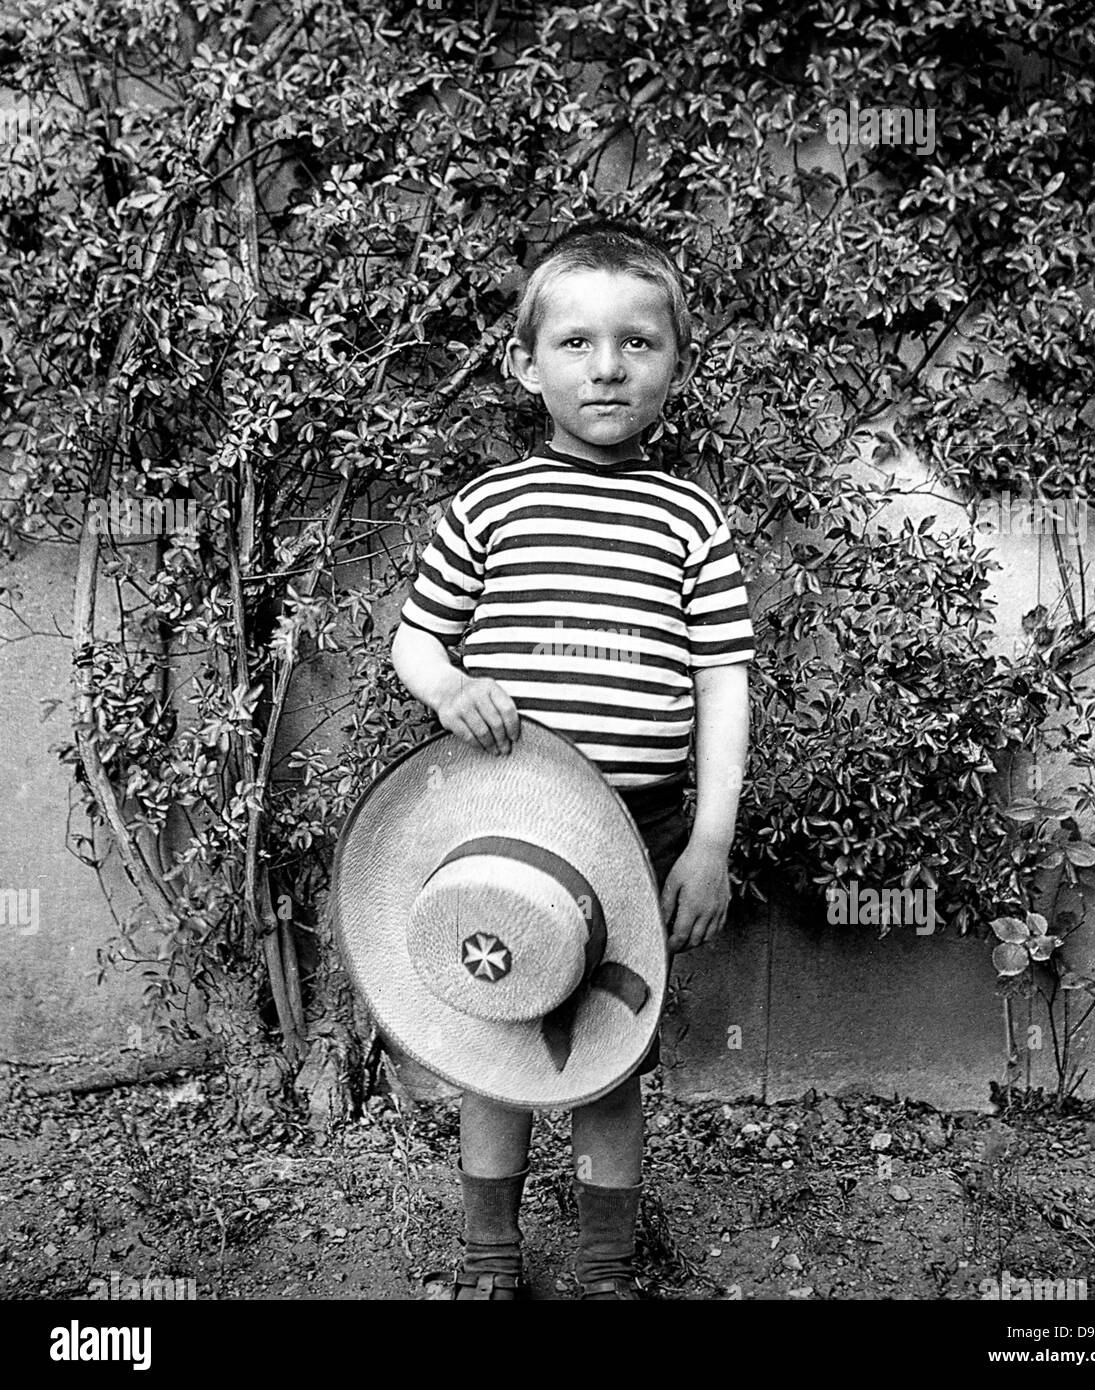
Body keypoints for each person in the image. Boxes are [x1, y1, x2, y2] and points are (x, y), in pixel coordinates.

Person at [391, 218, 755, 1299]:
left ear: (676, 367)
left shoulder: (689, 518)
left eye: (639, 343)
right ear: (526, 364)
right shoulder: (490, 506)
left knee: (610, 1051)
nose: (607, 366)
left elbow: (723, 679)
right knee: (495, 1034)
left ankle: (605, 1267)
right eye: (577, 343)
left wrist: (712, 837)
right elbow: (416, 637)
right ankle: (488, 1258)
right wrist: (450, 685)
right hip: (501, 825)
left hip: (634, 832)